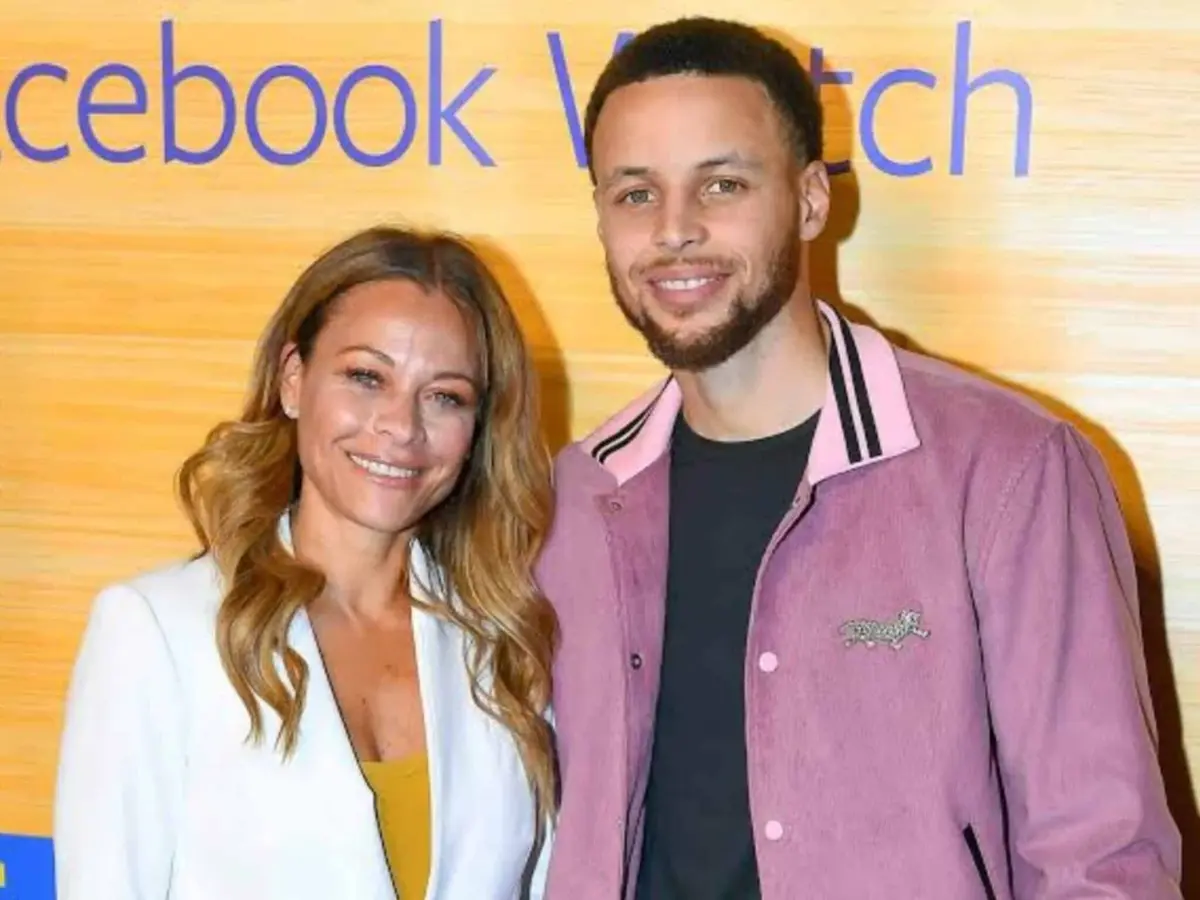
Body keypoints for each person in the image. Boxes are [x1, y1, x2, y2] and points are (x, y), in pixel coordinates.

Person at [534, 15, 1183, 900]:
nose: (675, 230)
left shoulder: (1008, 470)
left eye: (721, 184)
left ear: (810, 198)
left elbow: (1100, 861)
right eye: (636, 193)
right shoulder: (576, 493)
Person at [54, 225, 556, 900]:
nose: (400, 426)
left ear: (478, 429)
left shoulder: (501, 644)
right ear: (294, 380)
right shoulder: (156, 631)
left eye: (445, 396)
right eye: (366, 377)